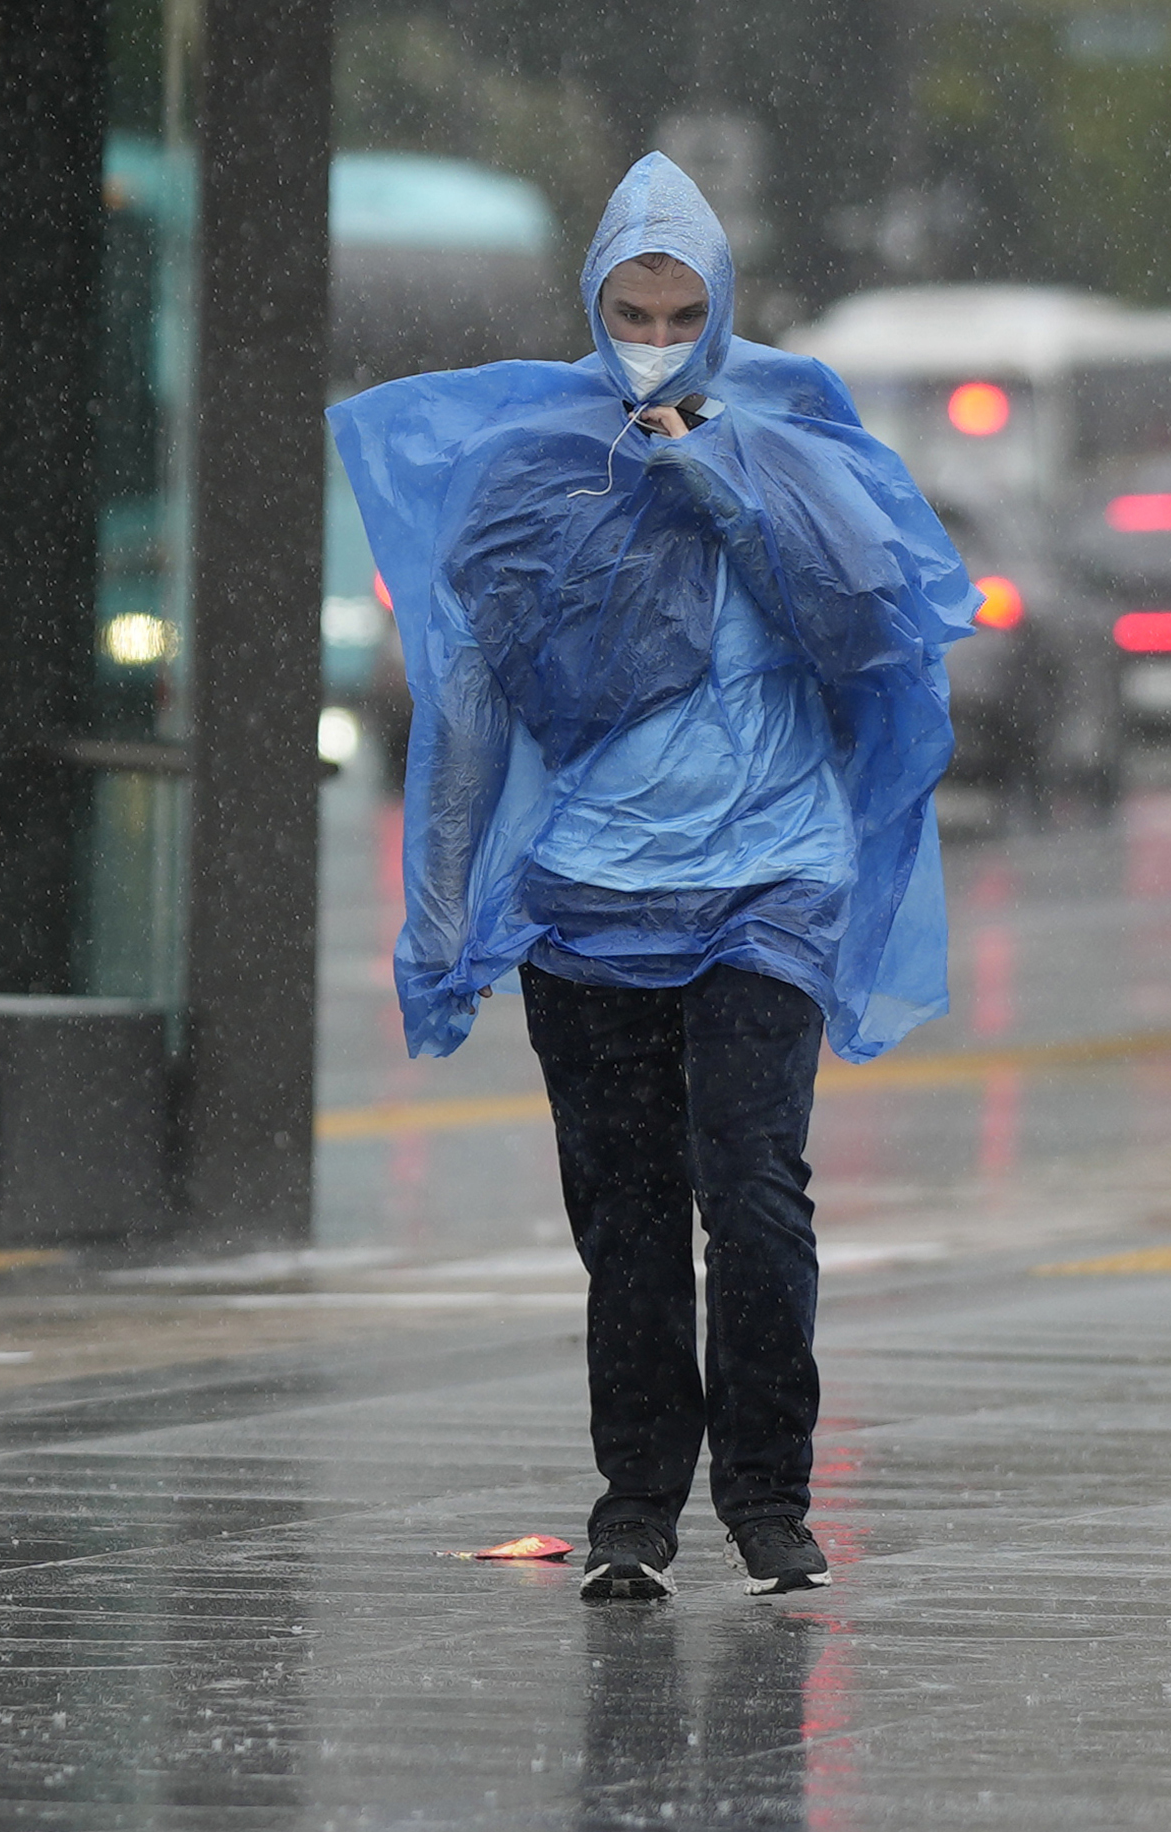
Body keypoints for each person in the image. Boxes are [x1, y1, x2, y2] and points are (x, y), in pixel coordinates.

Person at [329, 155, 974, 1604]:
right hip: (592, 901)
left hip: (771, 884)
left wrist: (731, 493)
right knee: (624, 1220)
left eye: (686, 309)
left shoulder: (797, 451)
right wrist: (439, 917)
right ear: (594, 302)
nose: (659, 334)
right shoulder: (530, 472)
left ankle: (768, 1495)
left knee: (749, 1195)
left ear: (727, 307)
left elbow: (879, 644)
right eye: (634, 307)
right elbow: (470, 704)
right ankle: (636, 1503)